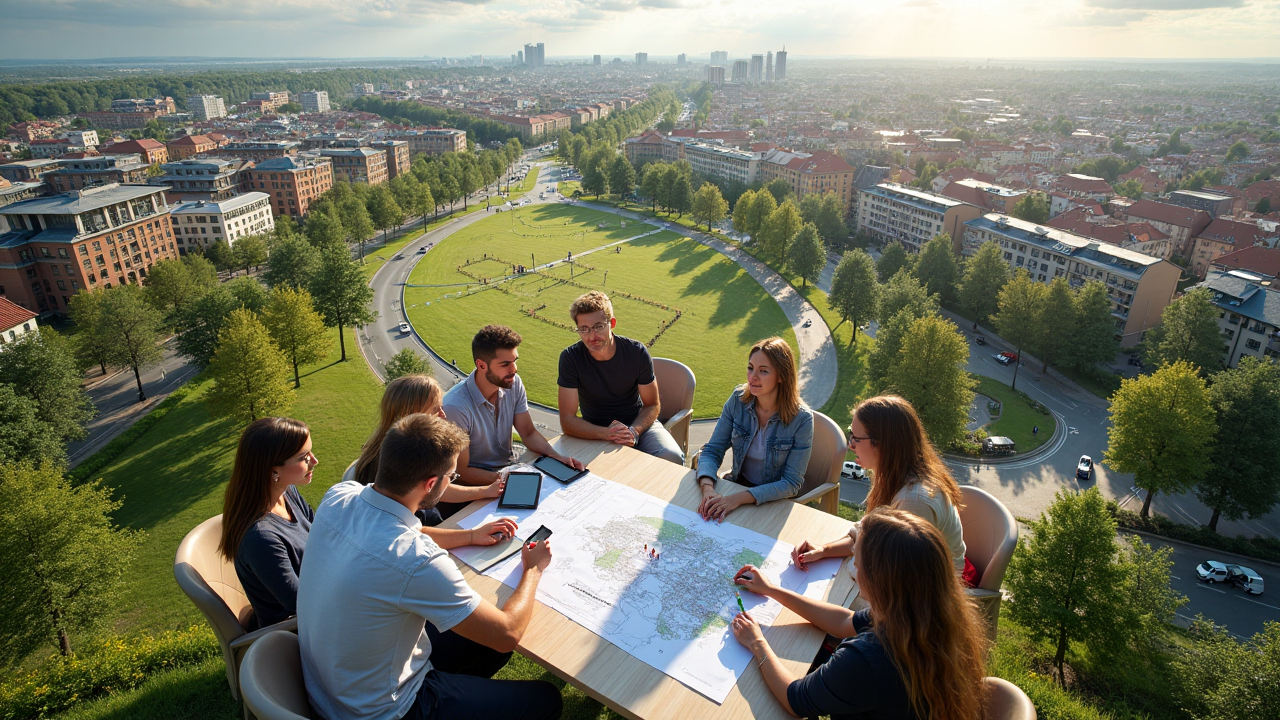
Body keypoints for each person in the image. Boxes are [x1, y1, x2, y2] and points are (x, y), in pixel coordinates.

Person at [298, 414, 563, 720]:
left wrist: (470, 535)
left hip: (332, 686)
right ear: (431, 483)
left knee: (484, 643)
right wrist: (533, 568)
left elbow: (392, 529)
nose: (453, 480)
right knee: (546, 698)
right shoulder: (417, 560)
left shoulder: (339, 496)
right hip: (384, 710)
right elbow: (508, 633)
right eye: (453, 476)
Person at [730, 507, 987, 720]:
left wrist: (757, 643)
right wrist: (772, 590)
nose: (854, 565)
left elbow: (796, 700)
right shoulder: (923, 612)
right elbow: (844, 621)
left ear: (879, 579)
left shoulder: (866, 657)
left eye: (857, 559)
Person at [791, 395, 975, 584]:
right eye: (850, 434)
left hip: (931, 590)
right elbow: (866, 530)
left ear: (884, 444)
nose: (850, 445)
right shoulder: (894, 475)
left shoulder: (914, 501)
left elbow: (893, 575)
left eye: (856, 438)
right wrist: (824, 550)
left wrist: (849, 567)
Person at [349, 374, 518, 546]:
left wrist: (484, 491)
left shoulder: (391, 451)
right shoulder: (397, 464)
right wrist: (472, 535)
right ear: (413, 416)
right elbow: (412, 533)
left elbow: (438, 488)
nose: (443, 415)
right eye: (435, 410)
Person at [443, 325, 584, 518]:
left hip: (506, 476)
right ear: (481, 365)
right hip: (475, 495)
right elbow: (462, 472)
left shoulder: (513, 382)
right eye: (505, 364)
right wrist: (510, 478)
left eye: (515, 361)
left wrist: (556, 457)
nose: (514, 369)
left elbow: (527, 432)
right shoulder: (456, 408)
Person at [557, 291, 684, 465]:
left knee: (672, 456)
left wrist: (634, 431)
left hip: (638, 425)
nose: (592, 336)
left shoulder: (636, 352)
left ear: (612, 323)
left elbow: (652, 404)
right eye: (584, 329)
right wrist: (607, 433)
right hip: (594, 430)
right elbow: (567, 420)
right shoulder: (570, 358)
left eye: (598, 326)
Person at [695, 337, 813, 522]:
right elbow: (712, 450)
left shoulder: (802, 419)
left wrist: (739, 499)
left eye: (763, 371)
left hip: (771, 503)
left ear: (782, 376)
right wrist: (708, 488)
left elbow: (791, 484)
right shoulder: (737, 400)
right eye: (750, 368)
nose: (753, 377)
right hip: (736, 486)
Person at [217, 417, 317, 630]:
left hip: (320, 608)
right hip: (296, 632)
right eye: (304, 457)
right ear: (273, 471)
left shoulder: (287, 492)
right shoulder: (261, 538)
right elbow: (302, 603)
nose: (314, 461)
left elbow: (323, 537)